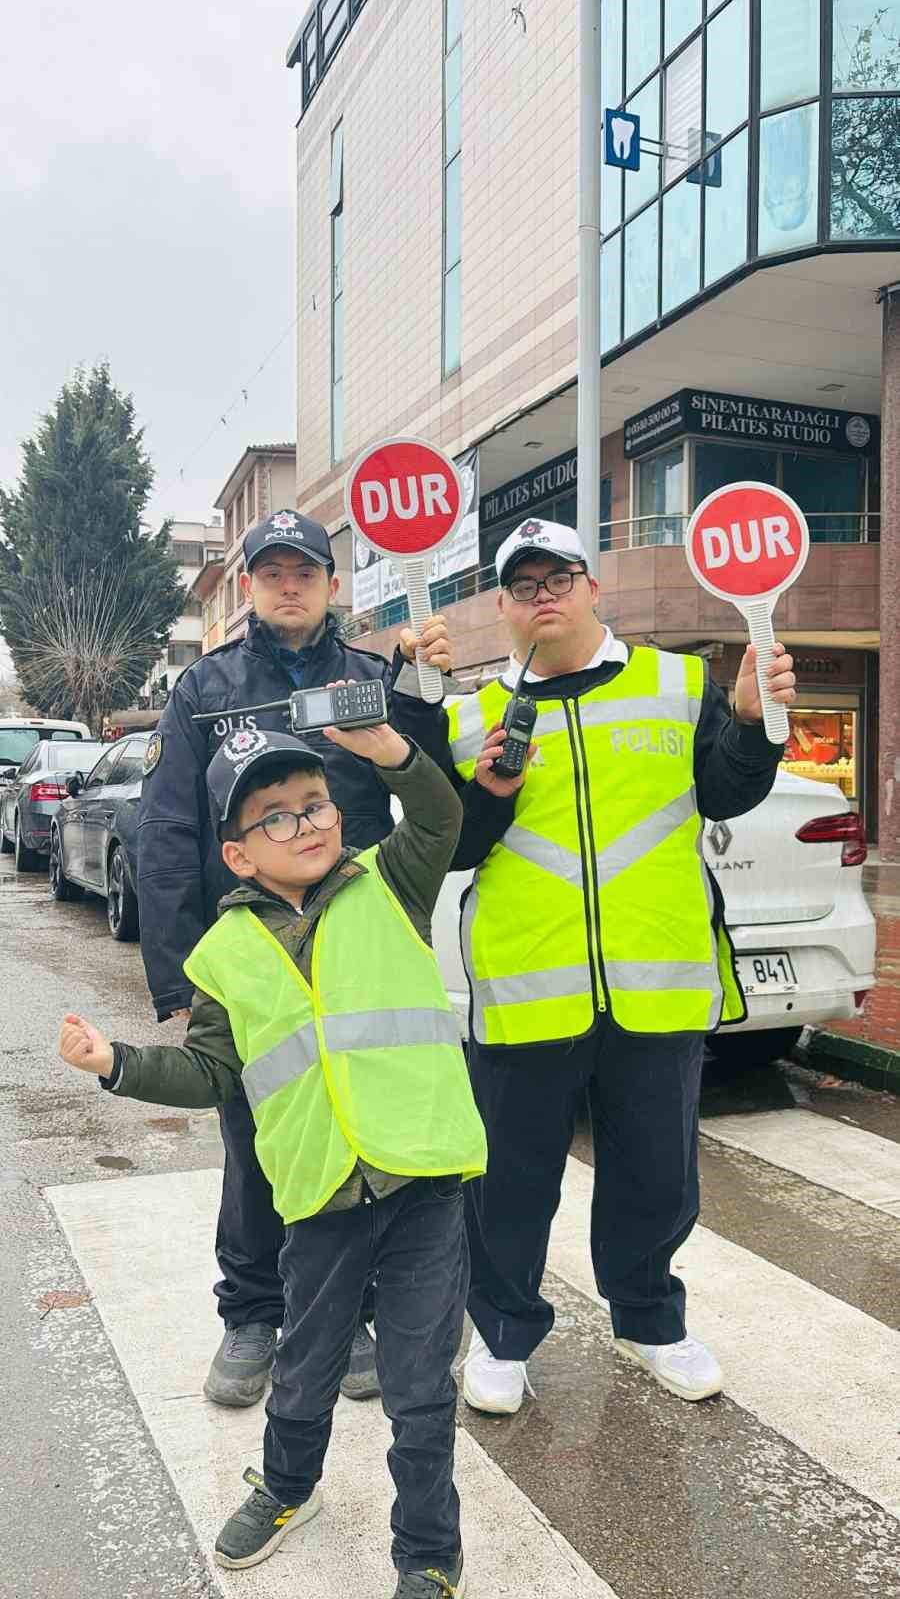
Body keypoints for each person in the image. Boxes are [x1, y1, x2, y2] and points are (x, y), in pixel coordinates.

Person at [60, 721, 486, 1598]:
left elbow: (441, 816)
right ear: (239, 855)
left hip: (422, 1182)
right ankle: (290, 1490)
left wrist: (391, 753)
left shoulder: (387, 881)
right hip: (321, 1194)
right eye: (279, 818)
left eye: (316, 805)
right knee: (303, 1370)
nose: (310, 825)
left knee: (418, 1390)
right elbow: (214, 1070)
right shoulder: (223, 958)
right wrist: (118, 1065)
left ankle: (428, 1556)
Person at [427, 517, 797, 1413]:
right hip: (525, 986)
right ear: (507, 610)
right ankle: (505, 1334)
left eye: (560, 577)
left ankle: (649, 1322)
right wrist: (489, 793)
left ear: (595, 588)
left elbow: (727, 790)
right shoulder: (472, 716)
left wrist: (751, 723)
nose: (543, 594)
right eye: (524, 585)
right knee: (510, 1182)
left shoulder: (676, 683)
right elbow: (458, 848)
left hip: (655, 983)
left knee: (655, 1173)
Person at [137, 509, 452, 1408]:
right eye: (269, 571)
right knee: (254, 1135)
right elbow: (168, 831)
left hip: (353, 943)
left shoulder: (370, 678)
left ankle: (348, 1310)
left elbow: (425, 786)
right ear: (247, 586)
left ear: (331, 584)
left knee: (356, 1125)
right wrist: (179, 974)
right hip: (257, 944)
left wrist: (427, 687)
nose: (287, 584)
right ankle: (250, 1312)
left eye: (303, 571)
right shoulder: (205, 687)